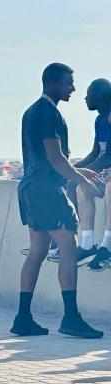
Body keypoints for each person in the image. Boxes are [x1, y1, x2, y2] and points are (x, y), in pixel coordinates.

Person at [12, 63, 104, 339]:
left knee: (38, 250)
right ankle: (71, 318)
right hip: (47, 190)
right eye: (68, 83)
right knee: (69, 248)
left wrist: (80, 170)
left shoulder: (32, 111)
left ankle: (22, 317)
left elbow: (49, 158)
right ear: (52, 84)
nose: (72, 88)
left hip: (29, 189)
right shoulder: (48, 113)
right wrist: (84, 181)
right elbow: (55, 157)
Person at [73, 78, 111, 263]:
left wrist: (85, 170)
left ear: (99, 97)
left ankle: (107, 247)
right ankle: (87, 245)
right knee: (81, 188)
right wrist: (74, 169)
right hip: (105, 171)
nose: (85, 98)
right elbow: (96, 152)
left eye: (89, 94)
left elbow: (109, 155)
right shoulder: (99, 120)